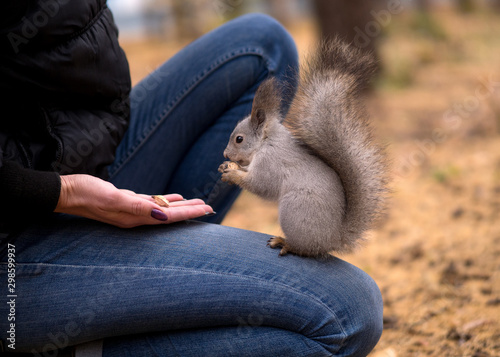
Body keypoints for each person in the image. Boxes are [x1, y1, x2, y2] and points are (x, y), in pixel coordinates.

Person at [0, 1, 383, 356]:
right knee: (347, 312)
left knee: (263, 46)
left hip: (80, 151)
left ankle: (163, 282)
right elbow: (262, 182)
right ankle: (80, 344)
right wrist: (63, 193)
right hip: (20, 231)